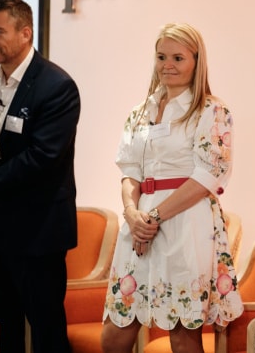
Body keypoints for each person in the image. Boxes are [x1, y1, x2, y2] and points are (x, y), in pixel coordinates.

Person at [100, 23, 243, 353]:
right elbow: (130, 170)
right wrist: (132, 213)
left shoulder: (211, 110)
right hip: (139, 224)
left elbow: (208, 176)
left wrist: (153, 217)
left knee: (183, 334)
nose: (168, 65)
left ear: (196, 61)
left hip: (186, 224)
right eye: (161, 56)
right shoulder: (140, 112)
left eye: (178, 58)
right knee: (115, 333)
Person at [0, 0, 81, 353]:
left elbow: (41, 158)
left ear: (25, 33)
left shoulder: (57, 86)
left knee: (45, 332)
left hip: (37, 232)